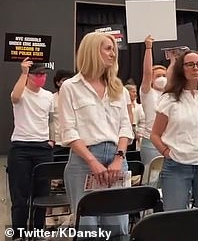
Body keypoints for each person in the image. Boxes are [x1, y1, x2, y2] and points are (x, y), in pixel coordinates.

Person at [59, 32, 134, 237]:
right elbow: (69, 130)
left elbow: (125, 127)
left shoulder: (120, 89)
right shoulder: (70, 87)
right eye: (108, 49)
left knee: (118, 224)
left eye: (114, 50)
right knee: (87, 227)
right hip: (83, 161)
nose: (113, 54)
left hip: (117, 160)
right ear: (92, 51)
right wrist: (92, 161)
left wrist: (119, 158)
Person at [150, 50, 198, 211]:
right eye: (190, 64)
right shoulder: (168, 99)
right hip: (177, 166)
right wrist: (166, 153)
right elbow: (155, 135)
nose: (195, 68)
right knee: (175, 216)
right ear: (181, 68)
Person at [8, 58, 55, 235]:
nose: (41, 77)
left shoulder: (49, 96)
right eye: (38, 74)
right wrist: (24, 73)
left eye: (43, 74)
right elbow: (15, 97)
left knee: (42, 195)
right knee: (20, 197)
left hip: (42, 148)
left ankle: (37, 231)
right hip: (21, 147)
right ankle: (18, 234)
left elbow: (52, 120)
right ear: (30, 76)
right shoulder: (21, 91)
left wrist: (52, 139)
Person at [139, 35, 168, 165]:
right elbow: (146, 73)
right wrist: (148, 48)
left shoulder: (170, 95)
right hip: (150, 142)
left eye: (164, 76)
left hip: (169, 140)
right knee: (152, 179)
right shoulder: (147, 93)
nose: (162, 78)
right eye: (158, 76)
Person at [51, 69, 75, 154]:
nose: (68, 83)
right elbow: (49, 121)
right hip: (57, 144)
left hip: (75, 144)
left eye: (71, 80)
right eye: (65, 80)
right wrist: (51, 140)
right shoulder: (51, 99)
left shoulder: (78, 99)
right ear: (57, 83)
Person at [125, 83, 144, 149]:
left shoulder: (139, 107)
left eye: (136, 92)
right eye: (133, 92)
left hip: (138, 136)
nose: (135, 94)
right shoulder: (123, 106)